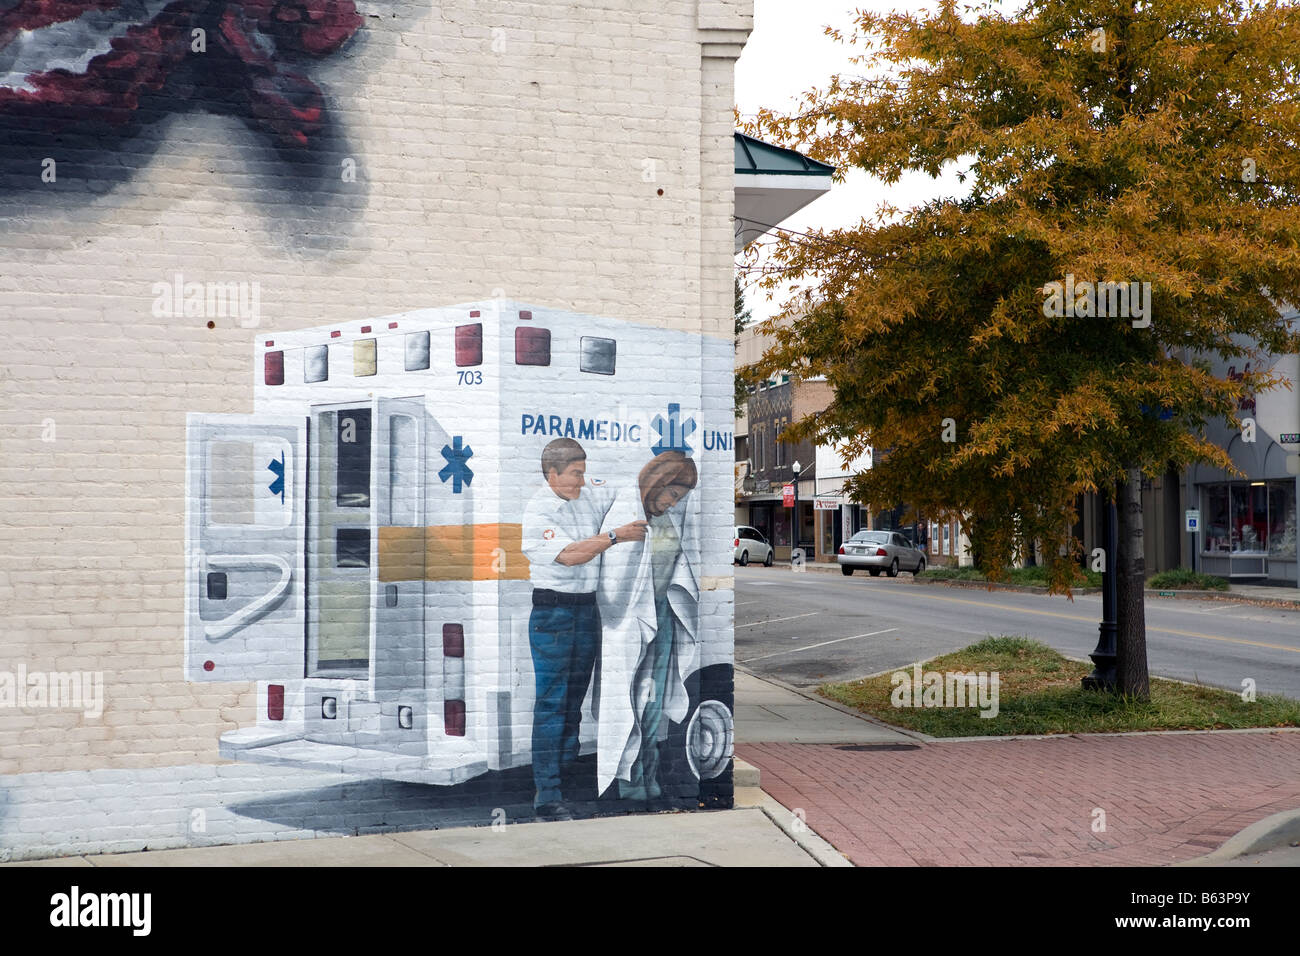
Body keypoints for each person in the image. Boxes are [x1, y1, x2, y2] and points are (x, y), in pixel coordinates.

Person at [520, 437, 647, 821]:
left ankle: (565, 784)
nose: (582, 480)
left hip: (585, 613)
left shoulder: (586, 491)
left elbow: (625, 489)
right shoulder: (538, 511)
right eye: (575, 474)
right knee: (552, 706)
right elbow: (572, 556)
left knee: (573, 705)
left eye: (583, 472)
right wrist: (615, 536)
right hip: (553, 616)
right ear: (552, 474)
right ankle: (547, 796)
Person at [594, 450, 700, 807]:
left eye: (679, 498)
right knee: (631, 700)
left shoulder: (666, 519)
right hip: (631, 622)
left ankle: (648, 776)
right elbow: (612, 585)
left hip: (663, 618)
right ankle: (628, 780)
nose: (672, 503)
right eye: (671, 493)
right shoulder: (627, 515)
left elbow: (675, 562)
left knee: (653, 704)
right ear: (657, 482)